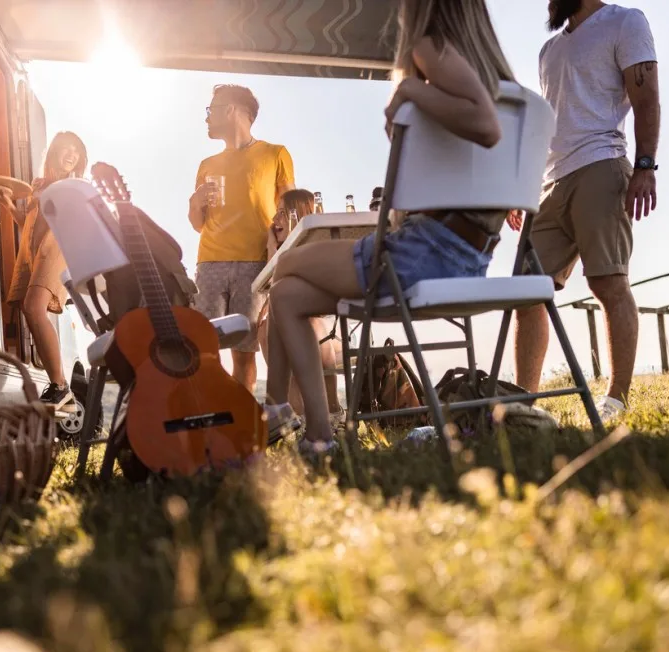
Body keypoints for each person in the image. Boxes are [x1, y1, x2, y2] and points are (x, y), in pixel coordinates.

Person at [262, 0, 514, 456]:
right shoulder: (507, 85)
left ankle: (276, 409)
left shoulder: (429, 48)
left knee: (286, 264)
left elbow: (485, 124)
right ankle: (319, 438)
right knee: (287, 295)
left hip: (420, 256)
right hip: (469, 260)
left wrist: (410, 93)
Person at [509, 0, 660, 421]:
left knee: (608, 282)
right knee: (526, 291)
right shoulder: (549, 51)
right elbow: (546, 125)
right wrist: (521, 187)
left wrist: (646, 166)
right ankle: (524, 403)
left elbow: (647, 99)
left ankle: (616, 398)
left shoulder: (625, 22)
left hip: (601, 163)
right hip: (550, 184)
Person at [188, 84, 295, 394]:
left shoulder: (275, 154)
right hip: (210, 264)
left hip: (255, 265)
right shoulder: (207, 165)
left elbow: (289, 211)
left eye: (211, 110)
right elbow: (199, 224)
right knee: (206, 351)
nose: (207, 118)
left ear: (231, 110)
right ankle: (212, 418)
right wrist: (195, 203)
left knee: (244, 353)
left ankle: (241, 424)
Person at [0, 131, 87, 409]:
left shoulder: (72, 186)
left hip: (56, 248)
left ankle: (60, 386)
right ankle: (62, 392)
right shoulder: (43, 187)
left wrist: (43, 192)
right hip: (33, 251)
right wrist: (9, 205)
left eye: (77, 151)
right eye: (66, 148)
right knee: (28, 309)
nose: (71, 154)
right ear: (53, 152)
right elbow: (29, 222)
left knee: (34, 307)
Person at [257, 189, 345, 423]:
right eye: (276, 213)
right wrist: (271, 248)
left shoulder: (315, 246)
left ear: (299, 214)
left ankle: (332, 412)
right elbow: (271, 289)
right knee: (269, 329)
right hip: (299, 331)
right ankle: (300, 418)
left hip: (334, 330)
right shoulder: (282, 251)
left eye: (282, 213)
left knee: (308, 325)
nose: (275, 220)